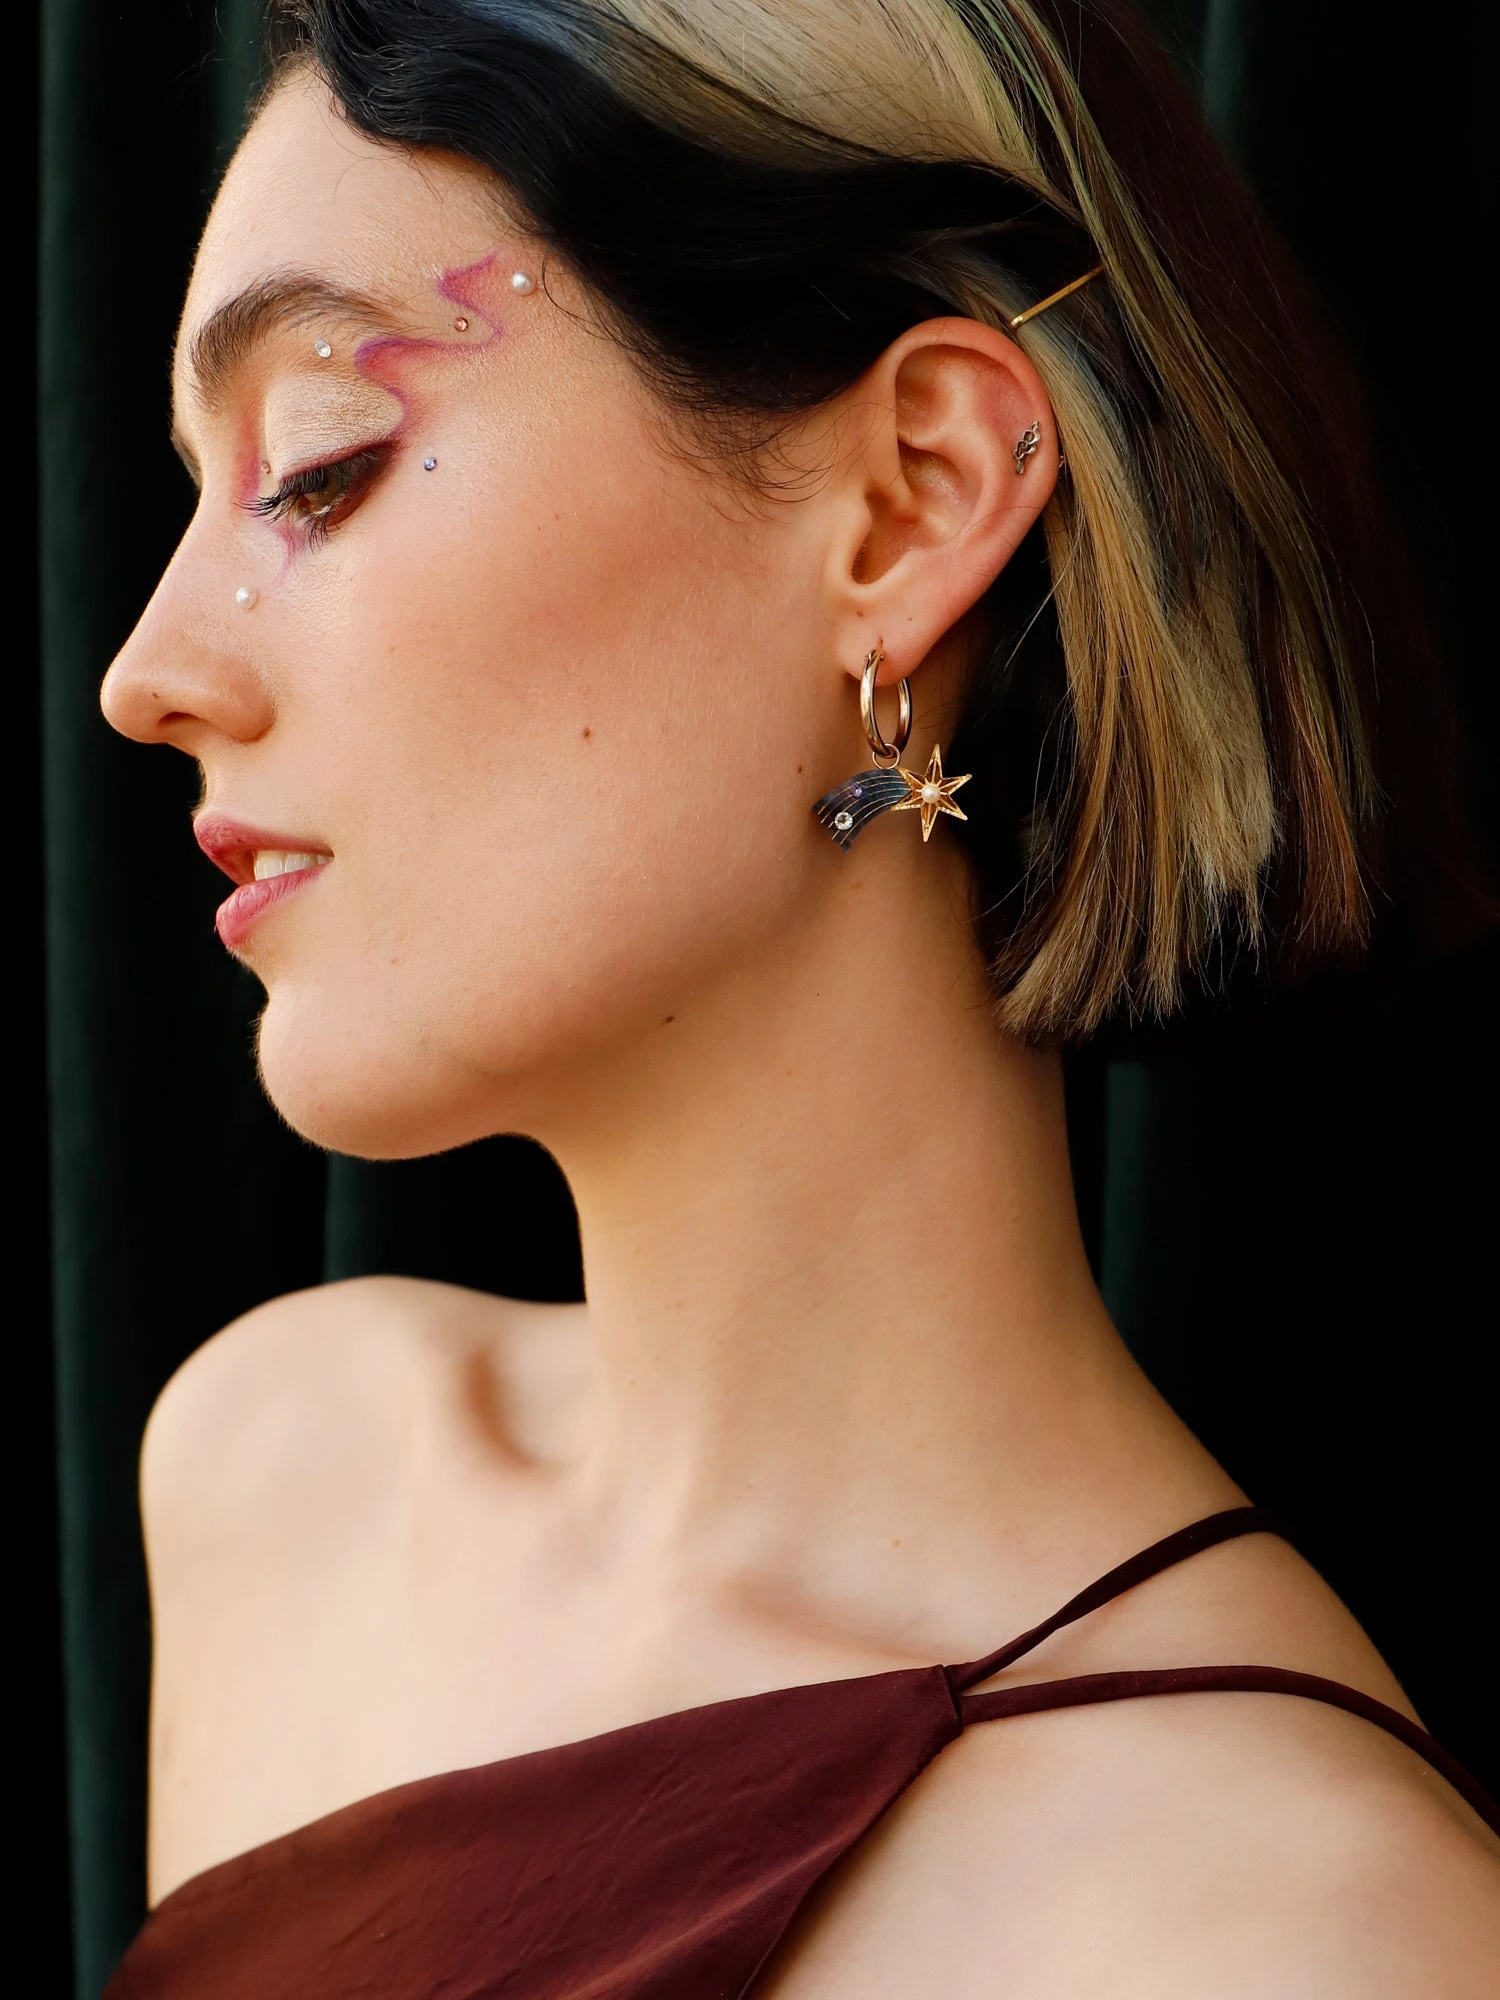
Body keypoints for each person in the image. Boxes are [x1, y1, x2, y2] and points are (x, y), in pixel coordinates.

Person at [98, 0, 1498, 1991]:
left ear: (916, 494)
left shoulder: (1294, 1928)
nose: (146, 673)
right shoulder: (281, 1479)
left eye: (320, 468)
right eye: (192, 490)